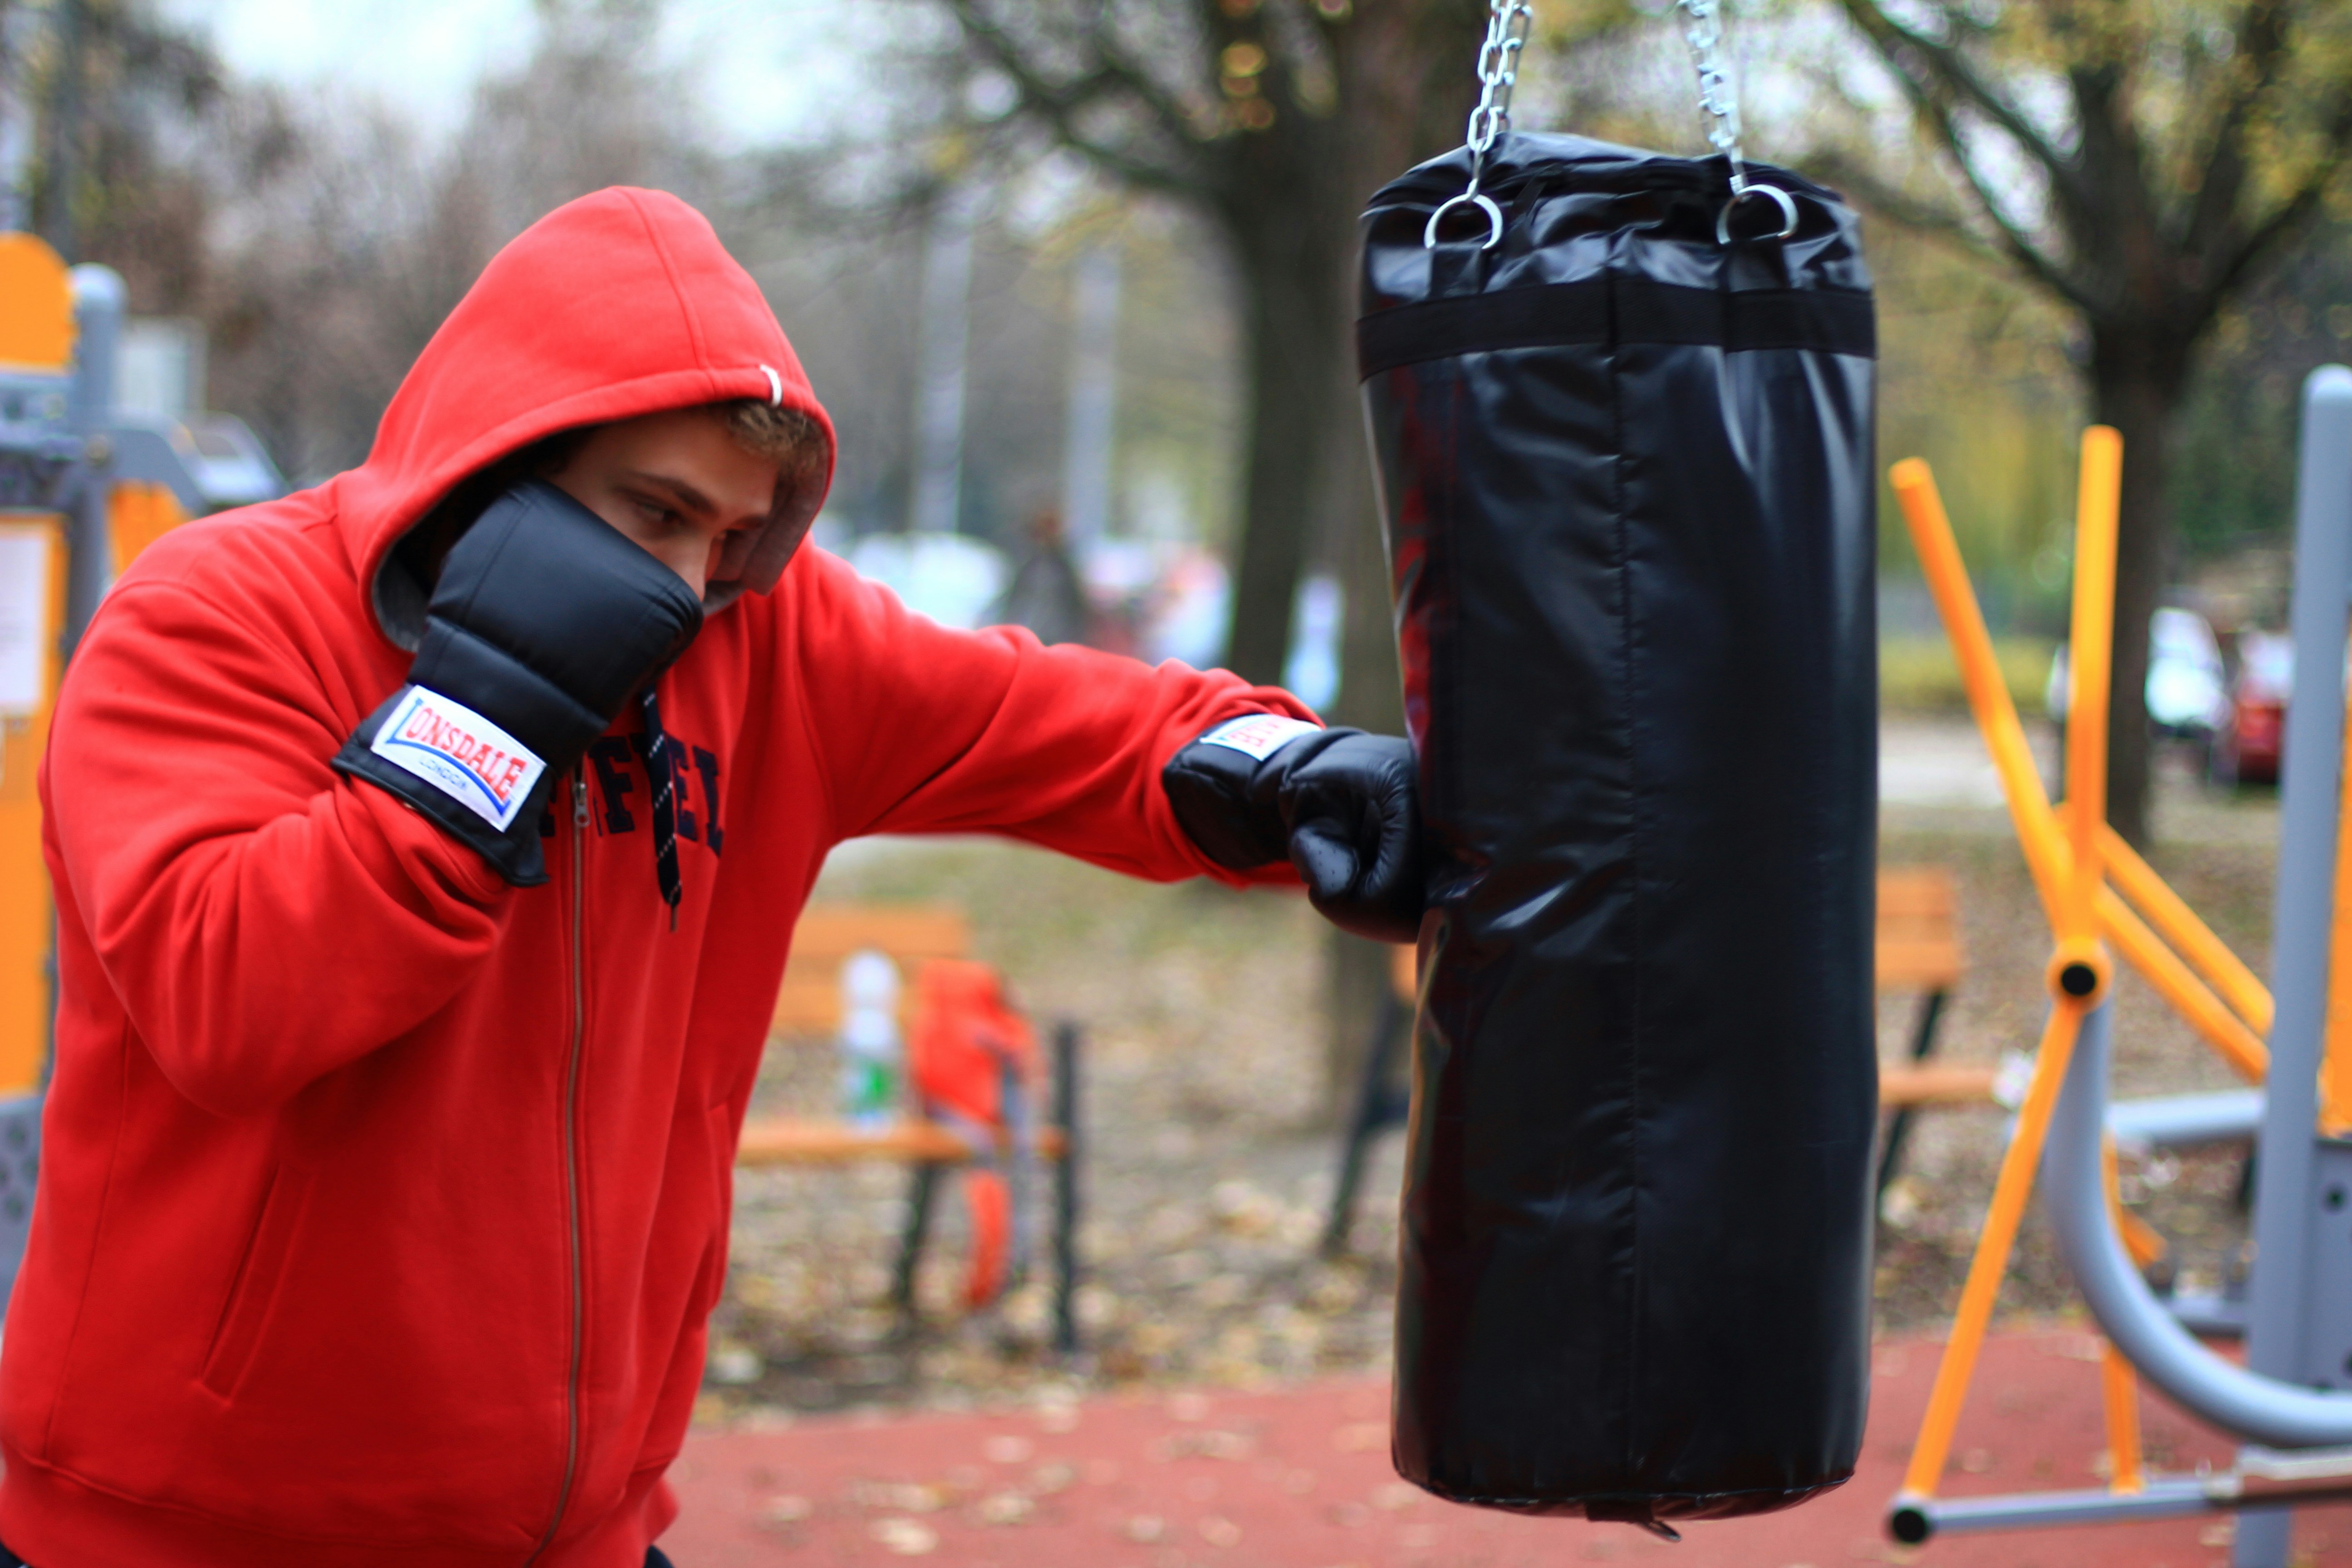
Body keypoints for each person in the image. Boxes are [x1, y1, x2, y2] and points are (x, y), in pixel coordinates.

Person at [0, 187, 1419, 1567]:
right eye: (653, 514)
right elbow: (224, 1000)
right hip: (182, 1535)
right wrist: (477, 727)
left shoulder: (758, 640)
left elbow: (1041, 723)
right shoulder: (212, 618)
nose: (686, 588)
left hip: (577, 1532)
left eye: (733, 537)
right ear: (500, 467)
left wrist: (1277, 779)